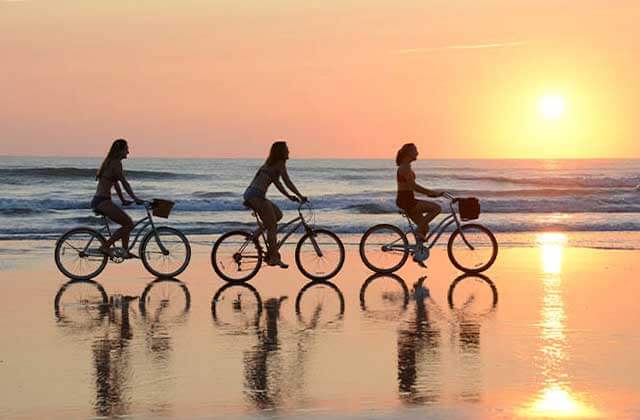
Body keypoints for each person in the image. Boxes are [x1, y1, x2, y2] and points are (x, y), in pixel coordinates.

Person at [243, 141, 307, 268]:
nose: (289, 151)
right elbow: (287, 182)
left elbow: (278, 184)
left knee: (278, 214)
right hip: (256, 196)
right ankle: (273, 257)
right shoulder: (279, 164)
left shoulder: (271, 164)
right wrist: (300, 195)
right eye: (287, 149)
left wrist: (289, 197)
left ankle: (256, 235)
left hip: (253, 194)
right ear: (281, 152)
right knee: (272, 225)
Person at [91, 139, 143, 258]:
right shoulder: (116, 163)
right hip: (102, 201)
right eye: (126, 149)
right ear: (120, 151)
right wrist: (135, 198)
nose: (128, 152)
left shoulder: (111, 162)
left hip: (100, 200)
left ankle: (125, 251)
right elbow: (124, 183)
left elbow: (116, 183)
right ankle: (105, 246)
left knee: (127, 223)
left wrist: (123, 199)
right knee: (129, 224)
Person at [395, 143, 443, 265]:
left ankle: (418, 254)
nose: (417, 153)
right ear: (408, 153)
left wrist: (430, 194)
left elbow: (412, 187)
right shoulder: (405, 168)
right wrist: (431, 193)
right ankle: (417, 232)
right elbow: (413, 186)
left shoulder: (407, 167)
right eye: (415, 150)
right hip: (407, 201)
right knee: (437, 208)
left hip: (407, 200)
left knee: (425, 227)